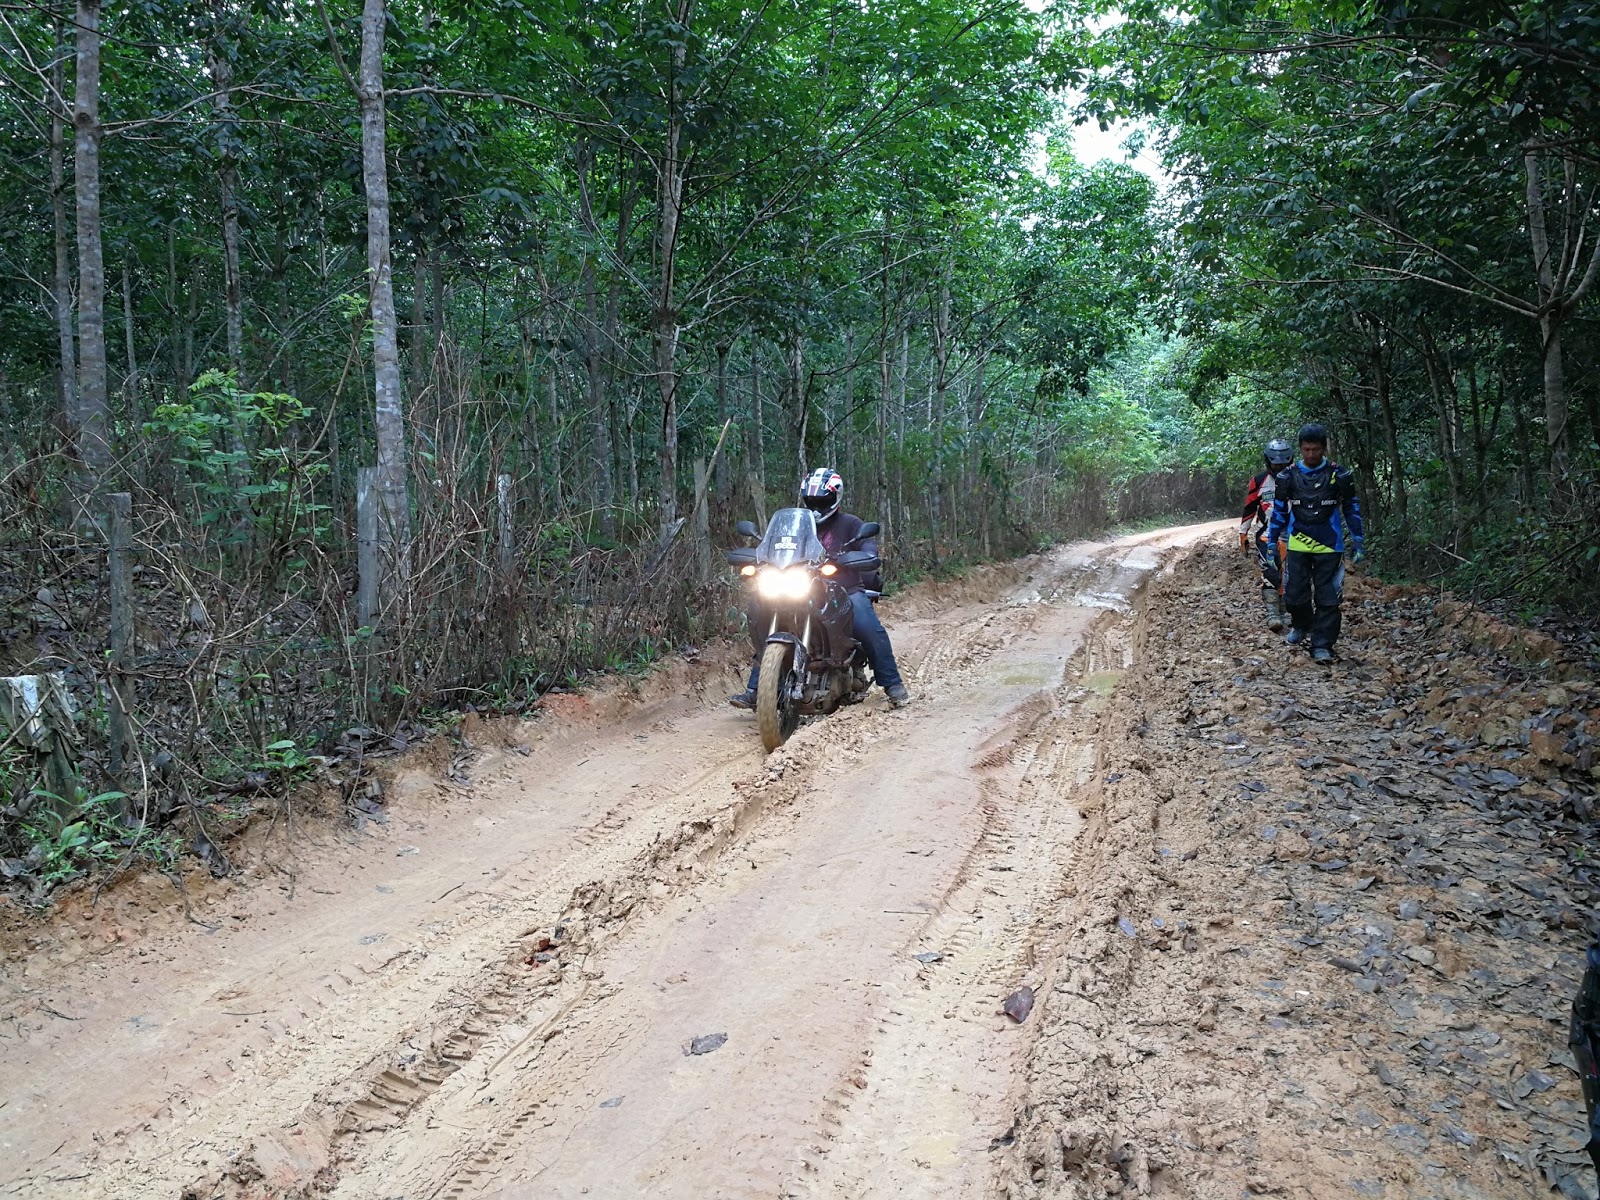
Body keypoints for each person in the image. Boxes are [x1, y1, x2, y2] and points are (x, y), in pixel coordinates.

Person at [730, 467, 911, 709]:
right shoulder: (796, 526)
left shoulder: (851, 524)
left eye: (822, 501)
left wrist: (864, 555)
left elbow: (868, 548)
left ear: (835, 498)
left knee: (868, 627)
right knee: (766, 619)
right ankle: (756, 689)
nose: (816, 507)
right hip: (802, 585)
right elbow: (774, 547)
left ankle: (892, 683)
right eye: (812, 501)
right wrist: (759, 556)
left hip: (844, 589)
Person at [1266, 424, 1364, 664]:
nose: (1311, 454)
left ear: (1324, 448)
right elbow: (1279, 511)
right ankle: (1302, 624)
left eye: (1316, 450)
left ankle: (1322, 645)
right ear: (1300, 449)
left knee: (1328, 598)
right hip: (1297, 543)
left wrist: (1358, 540)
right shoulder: (1287, 477)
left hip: (1329, 544)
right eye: (1307, 449)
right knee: (1293, 596)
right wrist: (1271, 542)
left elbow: (1351, 508)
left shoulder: (1339, 475)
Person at [1239, 438, 1295, 631]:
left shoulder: (1298, 478)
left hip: (1293, 535)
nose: (1279, 468)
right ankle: (1273, 613)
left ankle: (1287, 611)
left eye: (1283, 465)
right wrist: (1243, 533)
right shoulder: (1259, 481)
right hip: (1266, 534)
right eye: (1275, 465)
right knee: (1270, 572)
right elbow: (1249, 507)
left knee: (1290, 574)